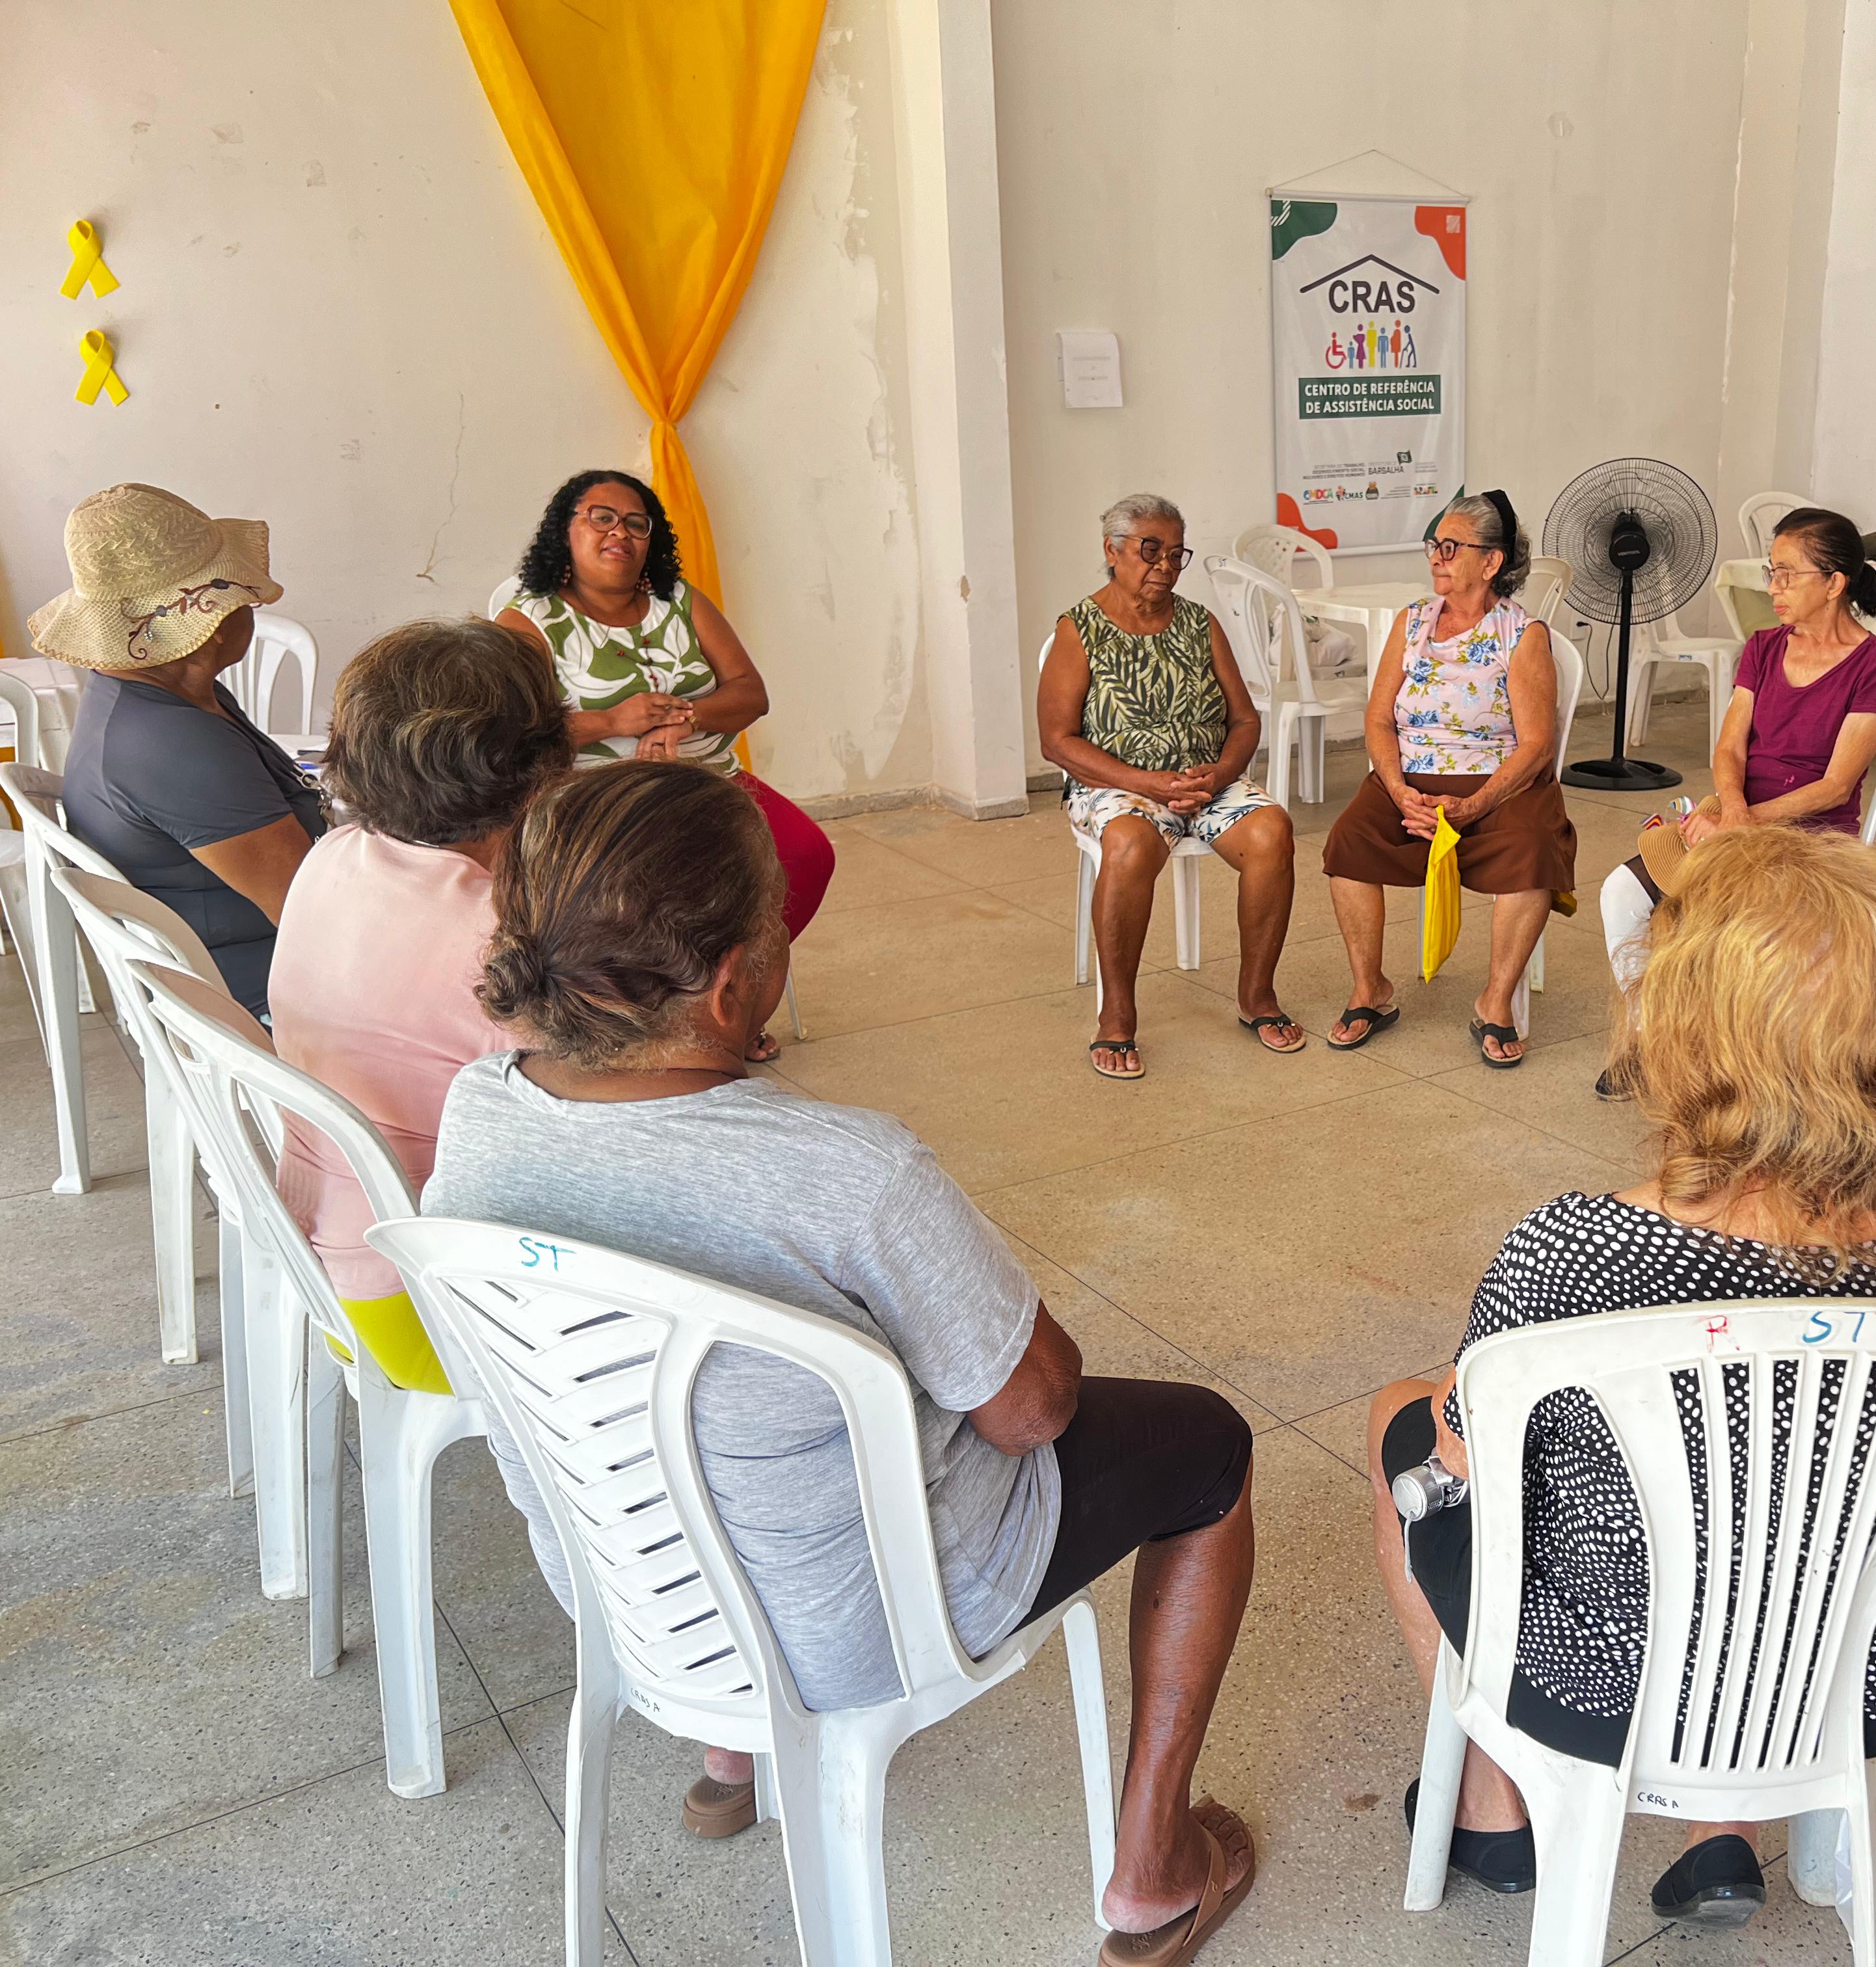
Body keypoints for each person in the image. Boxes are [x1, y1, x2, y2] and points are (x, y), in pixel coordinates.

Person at [427, 762, 1259, 1963]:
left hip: (632, 1589)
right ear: (732, 985)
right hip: (854, 1626)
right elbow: (1033, 1410)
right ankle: (1152, 1869)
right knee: (1210, 1446)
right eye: (779, 918)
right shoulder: (847, 1169)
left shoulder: (476, 1111)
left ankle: (733, 1753)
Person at [1367, 825, 1876, 1922]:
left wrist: (1455, 1417)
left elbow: (1465, 1457)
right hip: (1869, 1680)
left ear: (1685, 1019)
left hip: (1604, 1684)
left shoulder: (1576, 1250)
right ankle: (1723, 1837)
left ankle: (1491, 1812)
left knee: (1398, 1416)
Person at [268, 618, 572, 1394]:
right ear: (546, 770)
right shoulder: (503, 943)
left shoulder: (333, 855)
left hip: (331, 1267)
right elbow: (590, 1136)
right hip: (429, 1315)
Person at [496, 468, 835, 1064]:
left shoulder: (681, 602)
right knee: (648, 901)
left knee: (806, 856)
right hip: (599, 802)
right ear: (564, 532)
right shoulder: (529, 620)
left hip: (708, 782)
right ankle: (660, 1016)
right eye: (601, 518)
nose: (620, 533)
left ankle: (731, 1003)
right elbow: (511, 734)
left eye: (637, 523)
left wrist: (688, 719)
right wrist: (613, 721)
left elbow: (750, 693)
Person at [1594, 506, 1876, 1096]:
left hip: (1813, 836)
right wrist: (1732, 815)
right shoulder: (1763, 648)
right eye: (1772, 572)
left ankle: (1741, 1056)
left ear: (1835, 583)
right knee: (1623, 892)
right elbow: (1729, 749)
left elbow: (1836, 786)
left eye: (1788, 574)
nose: (1774, 587)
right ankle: (1649, 1038)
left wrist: (1744, 824)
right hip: (1736, 814)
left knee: (1742, 921)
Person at [30, 484, 324, 1019]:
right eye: (245, 597)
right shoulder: (178, 747)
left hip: (237, 965)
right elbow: (315, 920)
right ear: (211, 624)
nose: (253, 607)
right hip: (262, 997)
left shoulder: (156, 695)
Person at [1036, 494, 1301, 1080]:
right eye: (1150, 550)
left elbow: (1244, 720)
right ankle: (1117, 1015)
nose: (1164, 565)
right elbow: (1057, 742)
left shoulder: (1200, 623)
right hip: (1117, 784)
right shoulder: (1079, 629)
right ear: (1112, 551)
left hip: (1206, 782)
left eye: (1176, 554)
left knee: (1272, 832)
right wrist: (1145, 783)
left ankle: (1257, 995)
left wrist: (1220, 774)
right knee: (1130, 844)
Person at [1320, 491, 1575, 1067]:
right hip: (1410, 779)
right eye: (1435, 544)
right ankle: (1370, 989)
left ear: (1491, 562)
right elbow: (1378, 719)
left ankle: (1496, 1000)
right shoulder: (1411, 621)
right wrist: (1398, 790)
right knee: (1349, 840)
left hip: (1499, 782)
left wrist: (1474, 805)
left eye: (1452, 546)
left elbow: (1537, 745)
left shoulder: (1522, 634)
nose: (1437, 556)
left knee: (1533, 848)